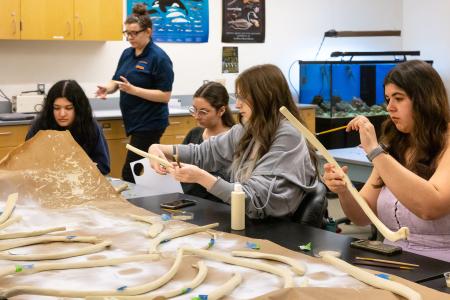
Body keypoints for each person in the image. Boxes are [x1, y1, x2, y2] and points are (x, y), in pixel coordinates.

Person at [149, 64, 318, 219]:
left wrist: (201, 177)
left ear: (265, 96)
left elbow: (255, 198)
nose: (237, 105)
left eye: (243, 97)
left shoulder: (287, 135)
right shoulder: (249, 128)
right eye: (237, 97)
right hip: (248, 216)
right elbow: (204, 152)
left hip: (275, 225)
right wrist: (158, 148)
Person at [322, 60, 450, 262]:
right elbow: (362, 217)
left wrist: (375, 151)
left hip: (441, 267)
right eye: (388, 99)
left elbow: (429, 207)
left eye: (398, 98)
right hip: (393, 259)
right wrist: (344, 190)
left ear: (424, 100)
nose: (390, 107)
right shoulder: (395, 144)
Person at [96, 3, 174, 183]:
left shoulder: (159, 58)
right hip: (134, 121)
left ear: (148, 32)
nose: (129, 37)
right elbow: (117, 80)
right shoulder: (127, 54)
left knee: (130, 173)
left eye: (134, 33)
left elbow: (165, 95)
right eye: (127, 33)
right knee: (143, 171)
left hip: (150, 122)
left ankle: (136, 208)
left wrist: (134, 90)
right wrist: (108, 88)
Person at [26, 80, 110, 175]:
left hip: (82, 183)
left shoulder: (90, 127)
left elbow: (103, 166)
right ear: (50, 108)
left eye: (68, 108)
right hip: (46, 183)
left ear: (78, 108)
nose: (62, 114)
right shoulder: (40, 126)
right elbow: (27, 164)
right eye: (57, 108)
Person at [181, 81, 236, 202]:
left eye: (203, 112)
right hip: (187, 202)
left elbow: (231, 185)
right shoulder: (194, 134)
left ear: (221, 110)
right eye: (194, 110)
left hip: (218, 206)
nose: (196, 116)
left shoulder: (233, 140)